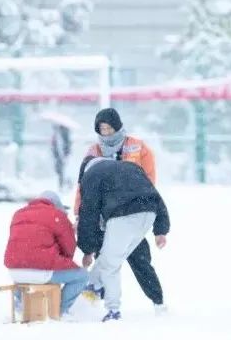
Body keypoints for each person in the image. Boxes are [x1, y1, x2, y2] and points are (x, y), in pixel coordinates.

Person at [74, 108, 165, 313]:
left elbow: (148, 182)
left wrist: (153, 214)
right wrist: (79, 213)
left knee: (139, 258)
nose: (105, 133)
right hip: (102, 213)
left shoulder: (138, 148)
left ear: (117, 126)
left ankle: (157, 300)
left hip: (130, 210)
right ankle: (94, 297)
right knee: (104, 257)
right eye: (101, 129)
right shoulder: (93, 152)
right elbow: (84, 188)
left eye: (109, 128)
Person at [77, 157, 170, 322]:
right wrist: (161, 229)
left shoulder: (91, 175)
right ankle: (94, 285)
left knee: (110, 266)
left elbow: (88, 214)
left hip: (123, 215)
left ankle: (112, 309)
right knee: (111, 257)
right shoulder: (131, 167)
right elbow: (156, 195)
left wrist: (87, 249)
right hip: (148, 213)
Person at [3, 190, 88, 315]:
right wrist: (70, 231)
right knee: (82, 276)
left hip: (15, 273)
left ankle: (22, 305)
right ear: (57, 205)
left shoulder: (18, 214)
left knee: (28, 270)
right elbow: (69, 250)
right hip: (41, 273)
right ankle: (59, 310)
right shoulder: (57, 215)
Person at [51, 124, 72, 190]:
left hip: (62, 156)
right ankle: (63, 184)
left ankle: (64, 184)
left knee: (63, 171)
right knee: (61, 171)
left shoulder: (64, 133)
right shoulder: (57, 134)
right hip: (60, 156)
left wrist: (64, 155)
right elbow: (55, 146)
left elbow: (64, 145)